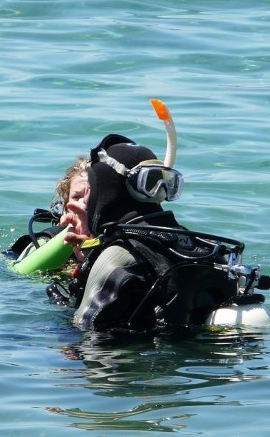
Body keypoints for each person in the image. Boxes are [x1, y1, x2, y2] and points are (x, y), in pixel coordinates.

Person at [58, 134, 244, 331]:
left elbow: (84, 334)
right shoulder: (204, 248)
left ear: (104, 191)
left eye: (91, 191)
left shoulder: (117, 258)